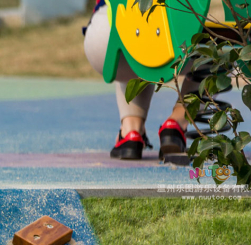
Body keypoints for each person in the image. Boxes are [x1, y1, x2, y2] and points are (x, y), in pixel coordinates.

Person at [83, 0, 199, 160]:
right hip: (175, 32)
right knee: (222, 48)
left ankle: (131, 131)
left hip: (106, 35)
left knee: (135, 44)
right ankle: (176, 123)